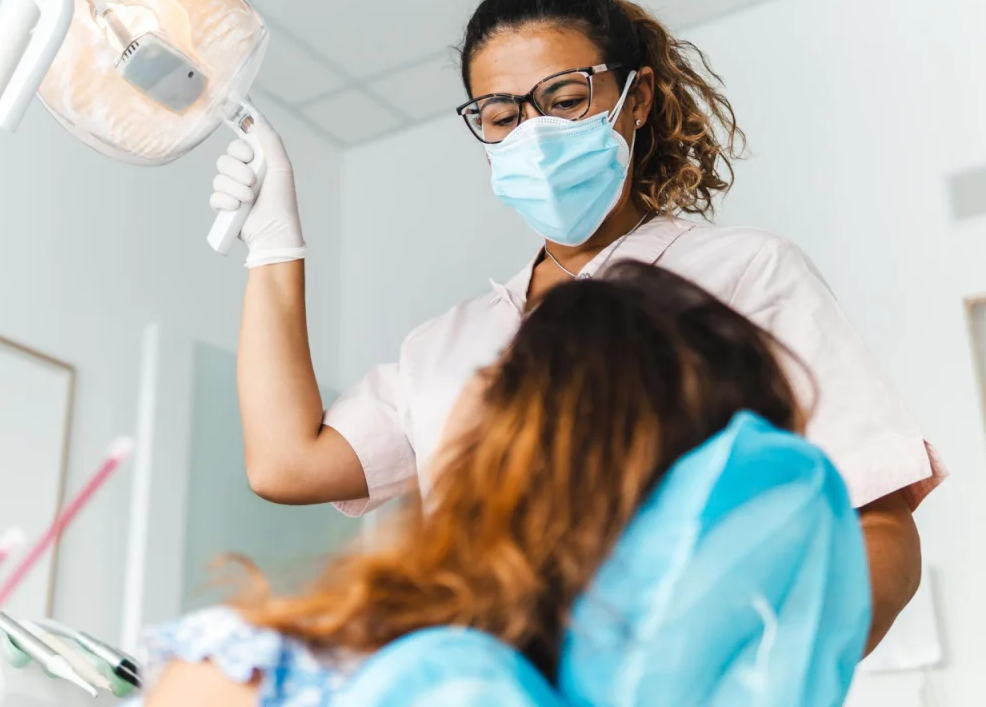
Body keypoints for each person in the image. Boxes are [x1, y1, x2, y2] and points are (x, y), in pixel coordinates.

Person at [209, 0, 944, 654]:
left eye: (565, 101)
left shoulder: (743, 275)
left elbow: (878, 527)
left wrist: (756, 678)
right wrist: (275, 244)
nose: (534, 133)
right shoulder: (450, 345)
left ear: (639, 98)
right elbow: (286, 462)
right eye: (500, 115)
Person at [142, 264, 859, 707]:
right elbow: (287, 460)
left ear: (509, 448)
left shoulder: (261, 671)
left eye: (488, 379)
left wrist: (272, 251)